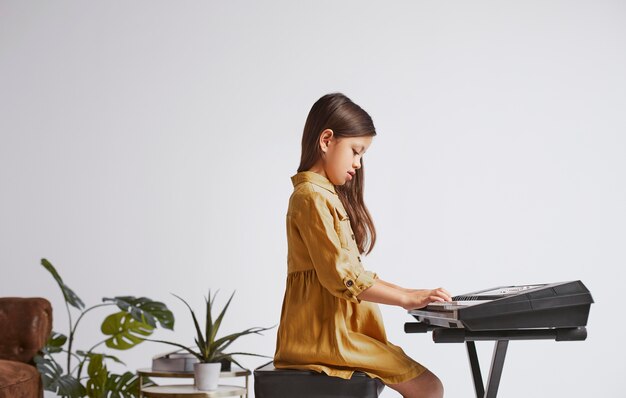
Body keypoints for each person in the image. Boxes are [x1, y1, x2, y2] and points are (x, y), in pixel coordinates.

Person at [274, 93, 452, 398]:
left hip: (337, 333)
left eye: (362, 155)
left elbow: (351, 273)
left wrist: (411, 294)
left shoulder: (323, 195)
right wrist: (409, 298)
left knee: (428, 384)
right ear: (327, 140)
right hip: (326, 337)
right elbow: (344, 278)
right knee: (429, 388)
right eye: (356, 151)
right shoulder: (311, 197)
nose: (357, 163)